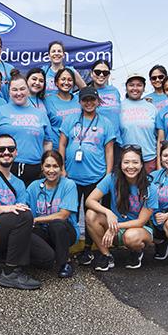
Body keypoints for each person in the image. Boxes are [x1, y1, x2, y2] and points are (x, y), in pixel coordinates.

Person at [0, 134, 55, 290]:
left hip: (7, 231)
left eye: (10, 149)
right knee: (23, 215)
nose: (6, 152)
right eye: (1, 149)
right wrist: (4, 208)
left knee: (46, 258)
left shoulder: (19, 184)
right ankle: (10, 273)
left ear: (16, 153)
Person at [59, 86, 117, 266]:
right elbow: (62, 145)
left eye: (92, 99)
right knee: (71, 214)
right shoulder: (70, 120)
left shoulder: (105, 123)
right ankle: (67, 249)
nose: (89, 103)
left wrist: (108, 175)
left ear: (98, 101)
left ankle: (89, 250)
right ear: (80, 102)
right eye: (85, 100)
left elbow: (109, 150)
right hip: (72, 178)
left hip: (96, 176)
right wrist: (62, 169)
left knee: (92, 214)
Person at [85, 146, 158, 271]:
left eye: (135, 162)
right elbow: (89, 200)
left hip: (138, 229)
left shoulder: (150, 187)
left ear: (141, 165)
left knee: (131, 236)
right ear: (121, 164)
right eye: (126, 162)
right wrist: (108, 212)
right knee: (91, 215)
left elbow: (141, 221)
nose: (130, 166)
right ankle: (107, 256)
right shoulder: (112, 178)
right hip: (116, 225)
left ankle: (137, 252)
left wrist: (115, 227)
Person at [0, 75, 55, 186]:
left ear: (28, 90)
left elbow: (47, 142)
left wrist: (45, 164)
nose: (19, 93)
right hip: (6, 167)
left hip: (35, 169)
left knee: (32, 202)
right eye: (14, 90)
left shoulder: (41, 114)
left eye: (22, 89)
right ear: (9, 92)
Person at [26, 150, 79, 278]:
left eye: (55, 166)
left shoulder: (68, 185)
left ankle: (64, 263)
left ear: (61, 168)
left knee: (57, 224)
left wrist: (37, 220)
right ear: (42, 167)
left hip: (65, 231)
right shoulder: (34, 187)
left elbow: (63, 215)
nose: (51, 170)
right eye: (48, 166)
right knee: (28, 233)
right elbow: (24, 208)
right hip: (43, 231)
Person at [120, 73, 158, 173]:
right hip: (128, 162)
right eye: (131, 85)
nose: (135, 88)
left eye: (139, 85)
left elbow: (159, 136)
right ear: (126, 87)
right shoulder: (119, 107)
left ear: (144, 88)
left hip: (149, 160)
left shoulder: (152, 108)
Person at [44, 67, 80, 136]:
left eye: (70, 80)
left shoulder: (79, 100)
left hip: (76, 145)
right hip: (56, 145)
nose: (66, 83)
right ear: (56, 82)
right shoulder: (47, 101)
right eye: (63, 79)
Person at [91, 60, 121, 132]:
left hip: (115, 139)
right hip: (95, 139)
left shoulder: (115, 91)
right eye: (97, 72)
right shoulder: (85, 93)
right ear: (91, 73)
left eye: (105, 72)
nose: (101, 75)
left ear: (109, 75)